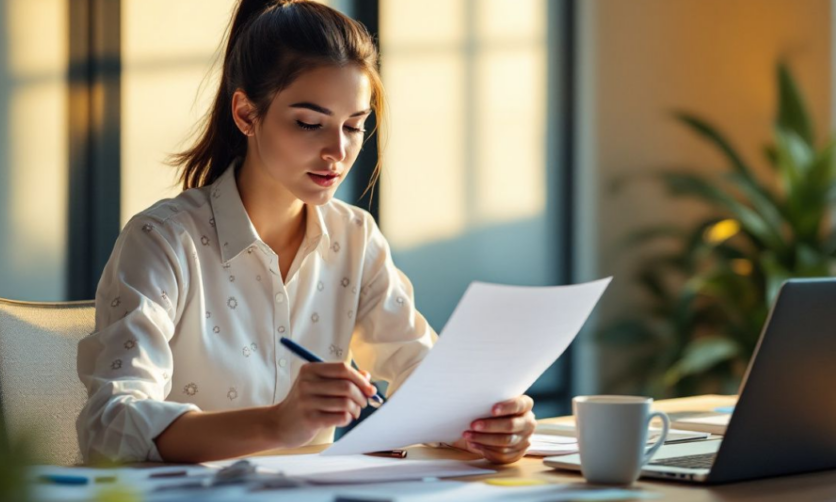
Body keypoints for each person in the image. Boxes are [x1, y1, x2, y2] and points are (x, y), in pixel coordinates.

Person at [76, 0, 536, 464]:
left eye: (354, 126)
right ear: (246, 114)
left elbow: (424, 374)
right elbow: (111, 426)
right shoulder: (164, 241)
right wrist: (277, 423)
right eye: (309, 124)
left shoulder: (355, 238)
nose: (337, 151)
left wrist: (483, 422)